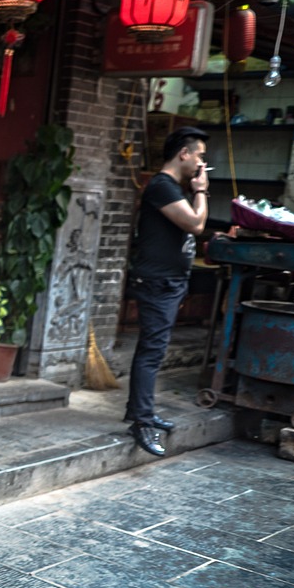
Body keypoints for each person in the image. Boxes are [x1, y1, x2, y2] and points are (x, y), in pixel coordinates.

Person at [124, 126, 209, 457]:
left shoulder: (170, 187)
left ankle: (140, 411)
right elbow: (195, 224)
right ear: (183, 154)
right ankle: (141, 421)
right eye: (200, 155)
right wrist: (201, 191)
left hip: (168, 282)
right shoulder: (161, 186)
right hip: (158, 282)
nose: (202, 163)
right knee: (151, 351)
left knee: (153, 350)